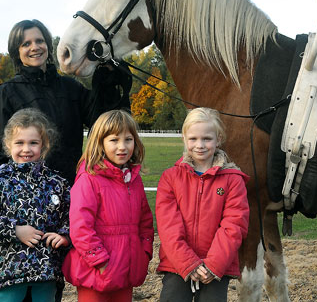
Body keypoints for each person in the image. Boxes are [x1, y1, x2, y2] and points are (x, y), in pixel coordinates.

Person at [0, 19, 132, 184]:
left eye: (39, 41)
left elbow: (101, 119)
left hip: (71, 190)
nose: (35, 47)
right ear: (17, 52)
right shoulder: (7, 91)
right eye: (26, 44)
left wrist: (108, 76)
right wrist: (7, 192)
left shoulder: (70, 87)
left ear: (47, 44)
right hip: (29, 197)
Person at [0, 108, 71, 302]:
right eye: (20, 143)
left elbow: (72, 216)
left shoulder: (57, 183)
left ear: (44, 145)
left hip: (46, 274)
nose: (26, 149)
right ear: (9, 145)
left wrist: (64, 235)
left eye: (33, 142)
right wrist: (15, 231)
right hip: (9, 276)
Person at [156, 107, 249, 302]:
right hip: (177, 265)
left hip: (215, 268)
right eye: (193, 139)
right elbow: (168, 227)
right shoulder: (170, 178)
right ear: (184, 138)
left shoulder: (233, 179)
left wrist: (213, 265)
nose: (200, 145)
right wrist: (188, 263)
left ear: (219, 139)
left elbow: (234, 225)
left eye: (207, 138)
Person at [62, 110, 153, 302]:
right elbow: (80, 227)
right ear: (100, 143)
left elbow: (145, 221)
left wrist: (143, 252)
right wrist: (100, 261)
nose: (122, 147)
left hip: (127, 270)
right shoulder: (89, 179)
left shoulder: (134, 180)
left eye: (128, 139)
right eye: (114, 140)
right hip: (96, 272)